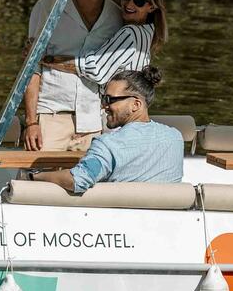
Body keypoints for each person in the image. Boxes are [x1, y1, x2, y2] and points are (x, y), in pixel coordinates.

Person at [20, 0, 124, 153]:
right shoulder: (48, 6)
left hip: (93, 124)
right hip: (50, 119)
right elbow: (31, 67)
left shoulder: (116, 16)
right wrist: (31, 122)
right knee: (37, 175)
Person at [34, 66, 184, 195]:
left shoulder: (108, 144)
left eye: (110, 100)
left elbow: (77, 180)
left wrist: (34, 177)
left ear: (136, 105)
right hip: (167, 217)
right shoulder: (175, 138)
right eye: (103, 98)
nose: (103, 106)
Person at [41, 0, 166, 86]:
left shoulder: (130, 33)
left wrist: (45, 59)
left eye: (139, 1)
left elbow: (96, 70)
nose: (129, 4)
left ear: (152, 7)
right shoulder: (148, 33)